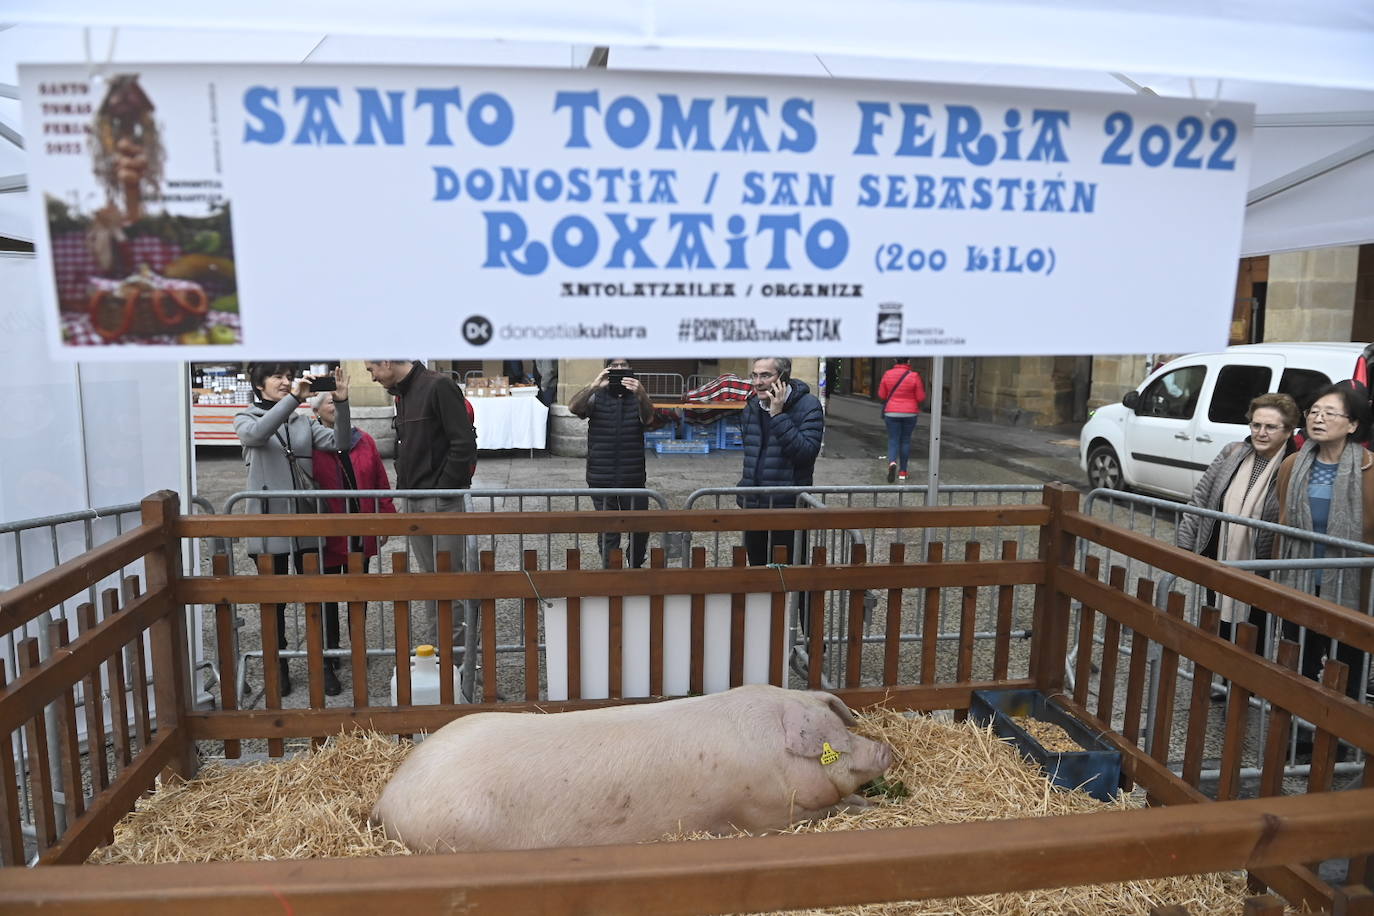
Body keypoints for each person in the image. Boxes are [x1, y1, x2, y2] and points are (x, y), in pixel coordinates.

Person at [234, 362, 351, 696]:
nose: (285, 383)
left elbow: (340, 442)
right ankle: (279, 667)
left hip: (305, 521)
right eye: (277, 377)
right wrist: (293, 400)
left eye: (288, 377)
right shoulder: (246, 418)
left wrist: (341, 403)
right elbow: (257, 436)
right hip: (269, 522)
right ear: (259, 385)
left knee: (316, 597)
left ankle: (323, 664)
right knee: (276, 603)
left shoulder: (302, 422)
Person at [362, 360, 477, 648]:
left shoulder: (438, 385)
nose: (372, 377)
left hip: (439, 500)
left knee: (448, 582)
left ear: (386, 361)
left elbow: (463, 443)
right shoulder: (403, 393)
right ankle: (440, 653)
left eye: (371, 369)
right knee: (433, 582)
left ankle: (457, 660)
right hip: (416, 498)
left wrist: (443, 491)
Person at [1271, 383, 1374, 704]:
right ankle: (1295, 732)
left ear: (1353, 425)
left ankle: (1339, 737)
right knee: (1299, 660)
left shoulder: (1370, 470)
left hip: (1352, 588)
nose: (1318, 418)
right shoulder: (1292, 465)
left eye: (1330, 413)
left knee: (1346, 666)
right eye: (1314, 411)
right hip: (1299, 581)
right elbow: (1282, 519)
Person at [1175, 393, 1299, 648]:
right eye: (1256, 425)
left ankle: (1247, 686)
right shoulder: (1233, 452)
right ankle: (1220, 683)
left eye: (1270, 427)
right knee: (1217, 624)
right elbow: (1201, 497)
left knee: (1255, 634)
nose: (1261, 432)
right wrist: (1184, 544)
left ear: (1287, 431)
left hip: (1261, 569)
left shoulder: (1293, 466)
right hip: (1221, 558)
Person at [309, 390, 397, 696]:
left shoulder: (365, 440)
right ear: (316, 411)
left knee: (359, 593)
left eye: (338, 401)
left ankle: (358, 647)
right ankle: (329, 657)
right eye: (330, 402)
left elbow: (379, 481)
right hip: (329, 531)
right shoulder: (310, 443)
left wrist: (385, 516)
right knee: (328, 597)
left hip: (360, 529)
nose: (335, 406)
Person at [737, 356, 825, 566]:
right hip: (754, 503)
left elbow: (805, 453)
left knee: (792, 575)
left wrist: (778, 415)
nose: (757, 382)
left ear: (783, 377)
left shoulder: (808, 405)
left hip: (787, 506)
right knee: (758, 574)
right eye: (754, 375)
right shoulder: (752, 406)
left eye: (765, 375)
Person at [568, 358, 654, 568]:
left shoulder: (637, 394)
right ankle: (611, 572)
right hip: (601, 475)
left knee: (640, 527)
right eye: (613, 365)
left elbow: (649, 419)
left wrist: (641, 394)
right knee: (609, 529)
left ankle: (634, 563)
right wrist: (593, 386)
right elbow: (574, 408)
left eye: (623, 365)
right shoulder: (596, 394)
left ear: (630, 369)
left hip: (632, 474)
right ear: (606, 368)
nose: (618, 369)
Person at [877, 357, 927, 483]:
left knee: (893, 439)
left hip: (892, 412)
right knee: (905, 441)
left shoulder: (887, 374)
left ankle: (892, 462)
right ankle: (903, 472)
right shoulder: (914, 376)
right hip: (910, 413)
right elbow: (921, 397)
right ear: (908, 361)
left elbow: (882, 395)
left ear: (895, 360)